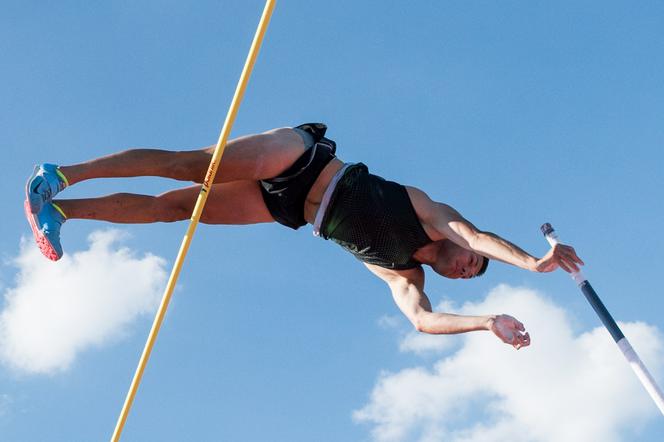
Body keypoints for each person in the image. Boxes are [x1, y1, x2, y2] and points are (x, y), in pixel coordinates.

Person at [24, 123, 584, 350]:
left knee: (175, 210)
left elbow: (421, 320)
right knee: (191, 167)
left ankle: (63, 213)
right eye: (472, 262)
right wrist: (534, 263)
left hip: (287, 208)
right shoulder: (436, 216)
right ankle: (62, 173)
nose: (469, 267)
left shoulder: (403, 274)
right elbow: (479, 235)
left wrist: (486, 321)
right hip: (305, 163)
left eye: (470, 276)